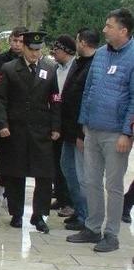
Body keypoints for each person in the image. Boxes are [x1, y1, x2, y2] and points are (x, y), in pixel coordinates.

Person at [67, 8, 134, 253]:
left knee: (113, 185)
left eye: (109, 26)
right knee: (90, 180)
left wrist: (127, 133)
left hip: (116, 134)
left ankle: (112, 234)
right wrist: (83, 127)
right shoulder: (102, 54)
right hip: (92, 129)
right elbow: (89, 91)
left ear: (123, 30)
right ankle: (92, 227)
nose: (104, 30)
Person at [0, 30, 61, 233]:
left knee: (44, 174)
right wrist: (2, 124)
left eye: (38, 50)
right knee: (16, 172)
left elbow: (55, 98)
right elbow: (0, 98)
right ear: (23, 47)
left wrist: (56, 126)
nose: (34, 54)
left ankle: (39, 214)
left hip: (41, 129)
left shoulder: (50, 68)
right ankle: (16, 212)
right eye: (31, 49)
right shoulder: (9, 69)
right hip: (16, 128)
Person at [59, 28, 98, 231]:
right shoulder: (78, 63)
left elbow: (88, 101)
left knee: (81, 175)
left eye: (77, 40)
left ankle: (86, 216)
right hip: (68, 129)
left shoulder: (94, 66)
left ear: (82, 42)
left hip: (80, 132)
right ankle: (78, 209)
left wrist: (82, 133)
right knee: (67, 168)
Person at [0, 26, 27, 202]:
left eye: (21, 41)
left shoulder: (31, 60)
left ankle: (15, 187)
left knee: (19, 151)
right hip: (1, 110)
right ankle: (3, 183)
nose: (17, 44)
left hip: (22, 113)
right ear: (10, 40)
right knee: (2, 149)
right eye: (14, 40)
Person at [50, 35, 77, 217]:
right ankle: (60, 196)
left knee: (67, 165)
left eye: (57, 50)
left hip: (70, 124)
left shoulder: (76, 69)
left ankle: (70, 201)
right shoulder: (54, 69)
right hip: (55, 121)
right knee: (55, 163)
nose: (54, 53)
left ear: (66, 51)